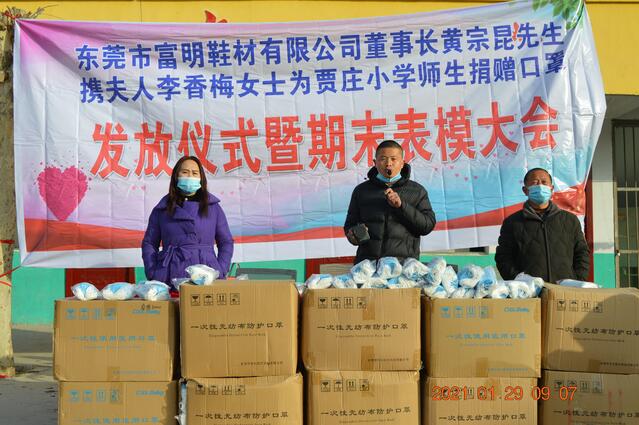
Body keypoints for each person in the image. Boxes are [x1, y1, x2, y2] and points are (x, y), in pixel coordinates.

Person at [142, 156, 234, 284]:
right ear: (176, 176)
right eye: (185, 172)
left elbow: (226, 242)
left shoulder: (213, 207)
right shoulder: (162, 209)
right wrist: (153, 272)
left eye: (195, 173)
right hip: (169, 274)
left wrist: (221, 270)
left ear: (201, 178)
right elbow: (150, 243)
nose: (190, 176)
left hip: (205, 275)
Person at [344, 139, 437, 264]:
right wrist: (353, 235)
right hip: (368, 266)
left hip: (403, 266)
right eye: (383, 159)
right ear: (375, 162)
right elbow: (350, 225)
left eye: (393, 159)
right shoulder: (361, 191)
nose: (388, 164)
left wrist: (402, 206)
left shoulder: (417, 191)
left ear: (402, 163)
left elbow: (427, 226)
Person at [495, 167, 590, 282]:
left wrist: (578, 279)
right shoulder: (512, 222)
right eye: (535, 183)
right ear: (525, 190)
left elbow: (582, 252)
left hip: (565, 288)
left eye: (544, 182)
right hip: (530, 290)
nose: (540, 186)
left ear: (551, 189)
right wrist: (520, 282)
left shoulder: (570, 220)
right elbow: (503, 257)